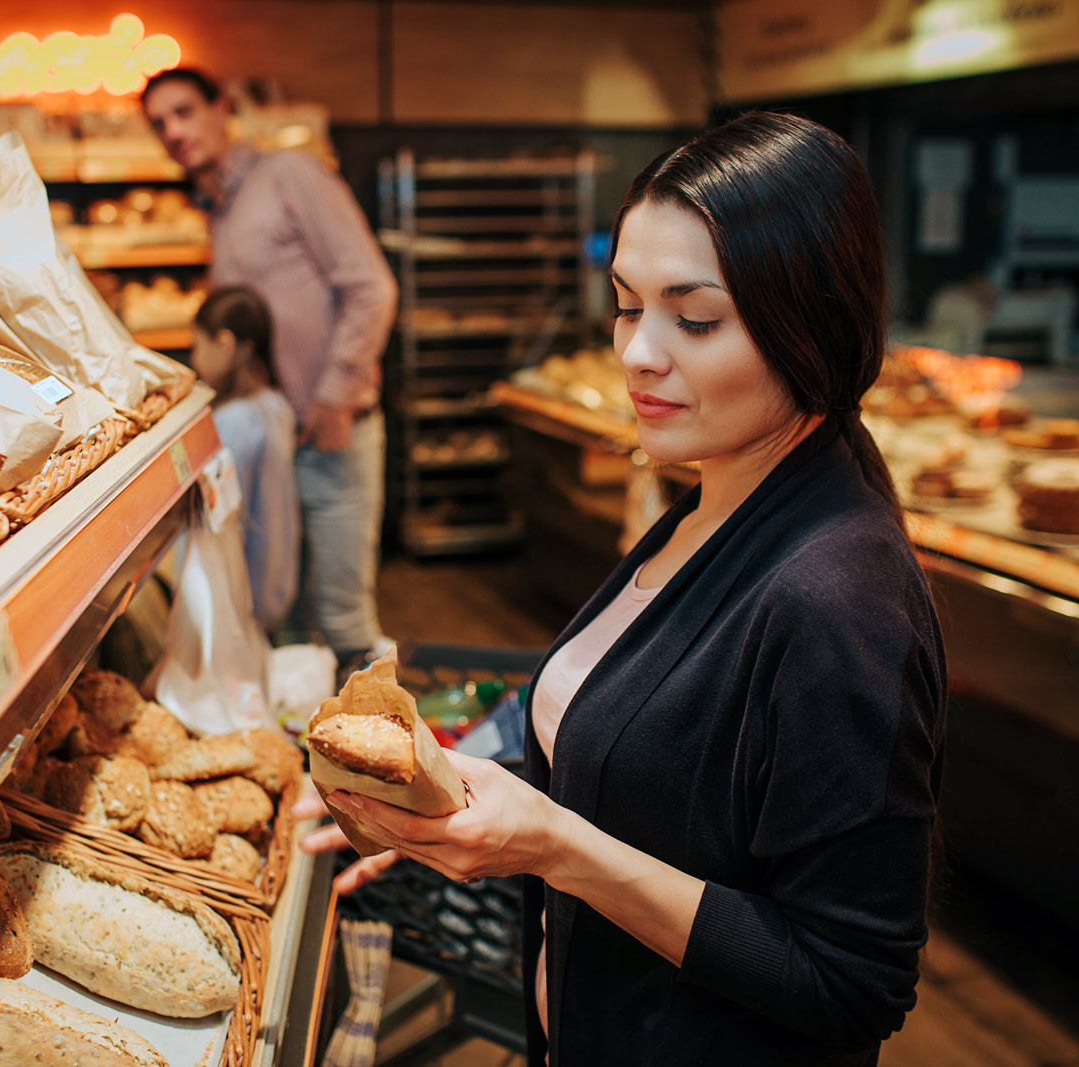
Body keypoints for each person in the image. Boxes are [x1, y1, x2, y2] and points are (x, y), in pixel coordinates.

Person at [295, 112, 947, 1066]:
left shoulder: (836, 600)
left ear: (814, 322)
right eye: (626, 303)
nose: (638, 352)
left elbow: (849, 982)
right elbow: (655, 787)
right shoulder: (710, 500)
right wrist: (457, 800)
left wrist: (554, 846)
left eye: (695, 318)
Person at [141, 68, 396, 664]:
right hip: (282, 443)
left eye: (183, 112)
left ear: (221, 106)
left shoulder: (288, 174)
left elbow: (370, 287)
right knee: (286, 622)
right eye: (159, 124)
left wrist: (335, 398)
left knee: (343, 622)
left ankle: (380, 749)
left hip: (336, 435)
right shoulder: (219, 210)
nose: (173, 131)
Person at [190, 286, 299, 632]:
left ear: (224, 344)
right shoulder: (276, 406)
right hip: (277, 587)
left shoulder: (232, 422)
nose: (194, 358)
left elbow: (223, 524)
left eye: (197, 345)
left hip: (244, 599)